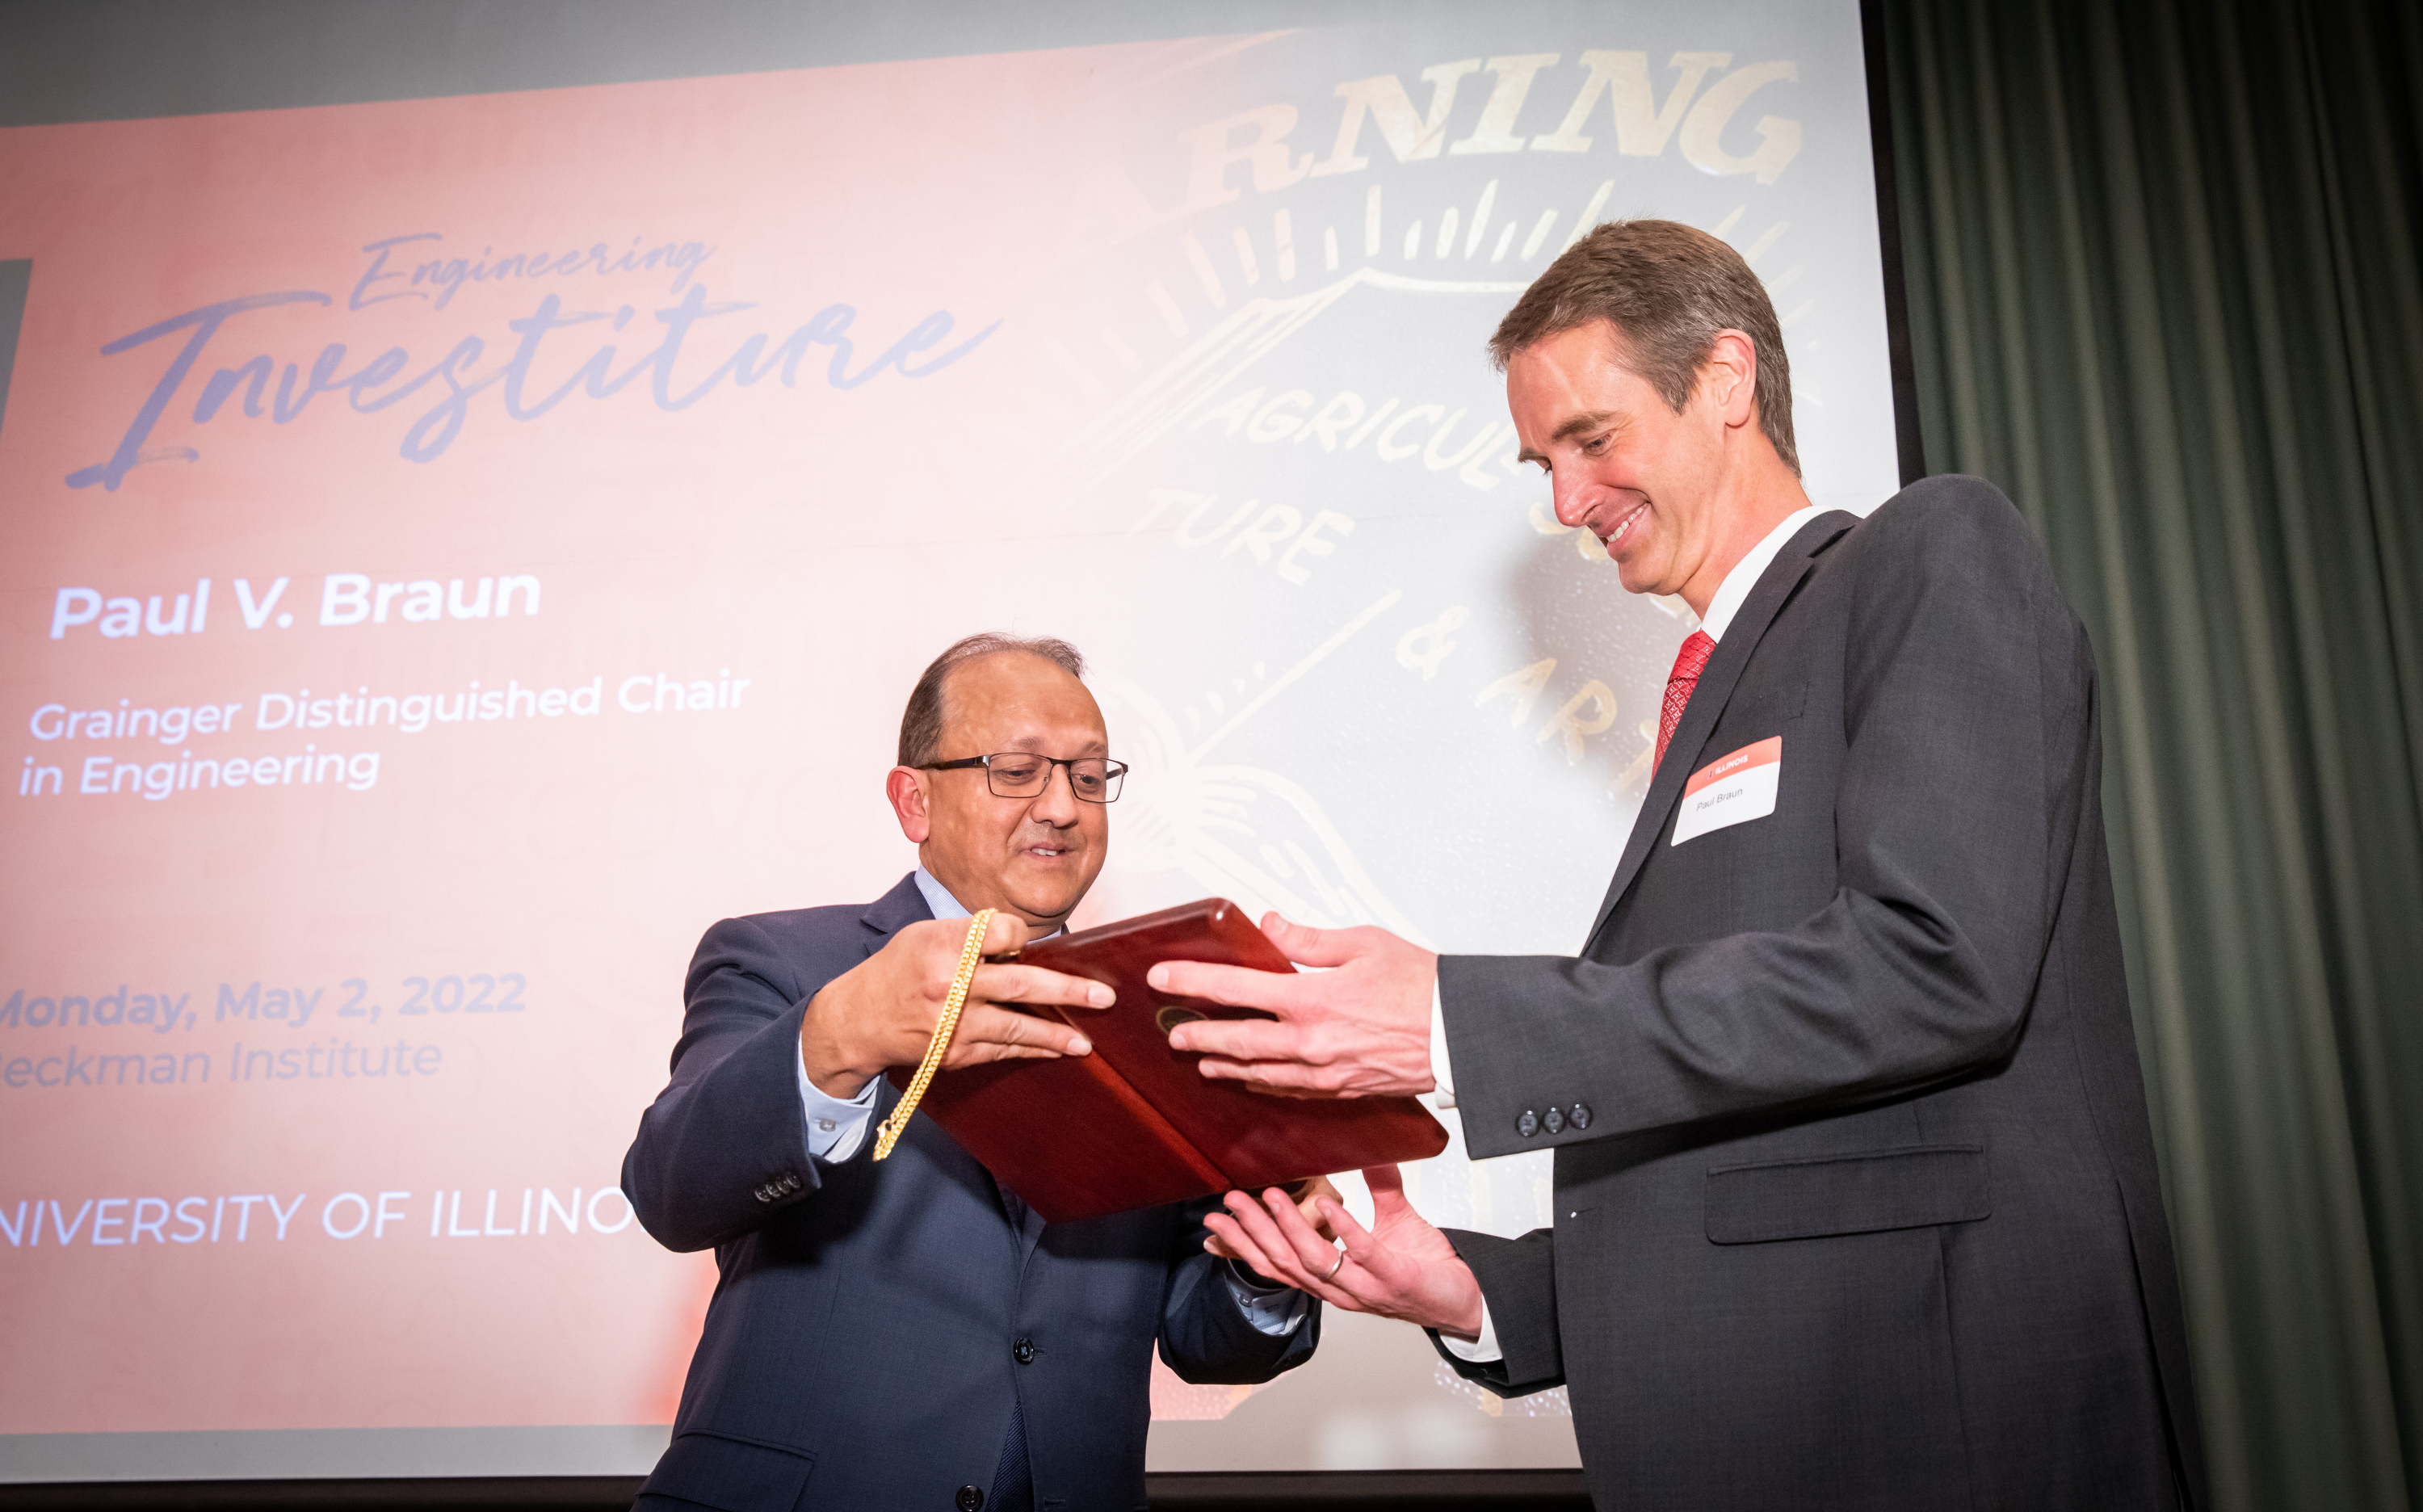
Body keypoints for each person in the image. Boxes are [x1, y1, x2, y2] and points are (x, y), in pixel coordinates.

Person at [1161, 221, 2208, 1510]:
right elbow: (1757, 1158)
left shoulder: (1926, 552)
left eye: (1591, 440)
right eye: (1541, 463)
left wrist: (1447, 1023)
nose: (1562, 501)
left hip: (1944, 1430)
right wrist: (1477, 1288)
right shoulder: (1717, 683)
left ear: (1726, 381)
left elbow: (1933, 968)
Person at [622, 632, 1320, 1512]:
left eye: (1089, 774)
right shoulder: (786, 961)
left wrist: (1268, 1259)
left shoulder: (1166, 1019)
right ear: (912, 800)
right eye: (1018, 771)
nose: (1062, 807)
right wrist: (837, 1037)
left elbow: (1206, 1340)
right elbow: (671, 1189)